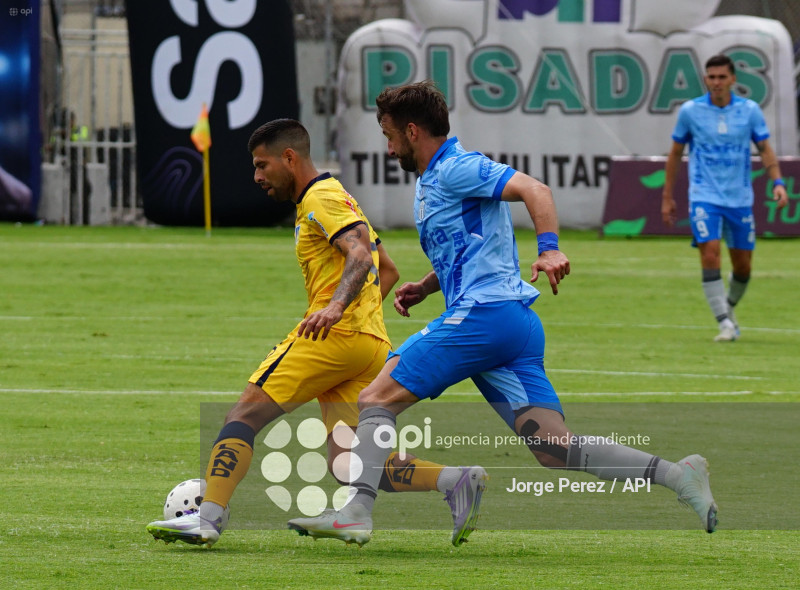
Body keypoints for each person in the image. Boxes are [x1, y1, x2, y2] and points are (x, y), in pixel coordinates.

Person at [287, 81, 718, 547]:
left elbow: (536, 189)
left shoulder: (456, 167)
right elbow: (474, 246)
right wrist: (428, 286)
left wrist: (549, 249)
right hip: (510, 324)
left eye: (389, 135)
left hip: (485, 317)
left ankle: (356, 511)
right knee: (553, 447)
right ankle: (679, 475)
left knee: (375, 400)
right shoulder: (433, 179)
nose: (388, 148)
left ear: (412, 131)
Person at [146, 119, 484, 548]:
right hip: (369, 343)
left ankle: (207, 518)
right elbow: (389, 269)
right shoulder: (338, 198)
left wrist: (336, 309)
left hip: (332, 338)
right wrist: (357, 319)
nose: (257, 177)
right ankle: (455, 481)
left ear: (290, 157)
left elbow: (360, 256)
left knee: (242, 416)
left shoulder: (319, 198)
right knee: (349, 463)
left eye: (262, 165)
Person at [661, 54, 789, 342]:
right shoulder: (690, 111)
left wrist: (777, 182)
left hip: (740, 198)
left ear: (733, 79)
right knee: (710, 252)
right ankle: (725, 325)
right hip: (704, 196)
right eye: (711, 77)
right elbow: (675, 153)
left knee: (743, 267)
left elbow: (765, 148)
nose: (716, 82)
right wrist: (667, 196)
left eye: (721, 77)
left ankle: (727, 307)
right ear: (705, 79)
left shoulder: (750, 111)